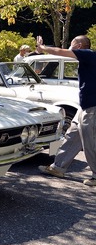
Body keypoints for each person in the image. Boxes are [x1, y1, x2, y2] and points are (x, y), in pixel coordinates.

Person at [37, 35, 96, 186]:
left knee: (89, 141)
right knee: (72, 135)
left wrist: (43, 48)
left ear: (79, 46)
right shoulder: (86, 57)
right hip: (85, 106)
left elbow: (60, 51)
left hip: (92, 107)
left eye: (72, 44)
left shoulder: (88, 53)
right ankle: (58, 167)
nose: (69, 47)